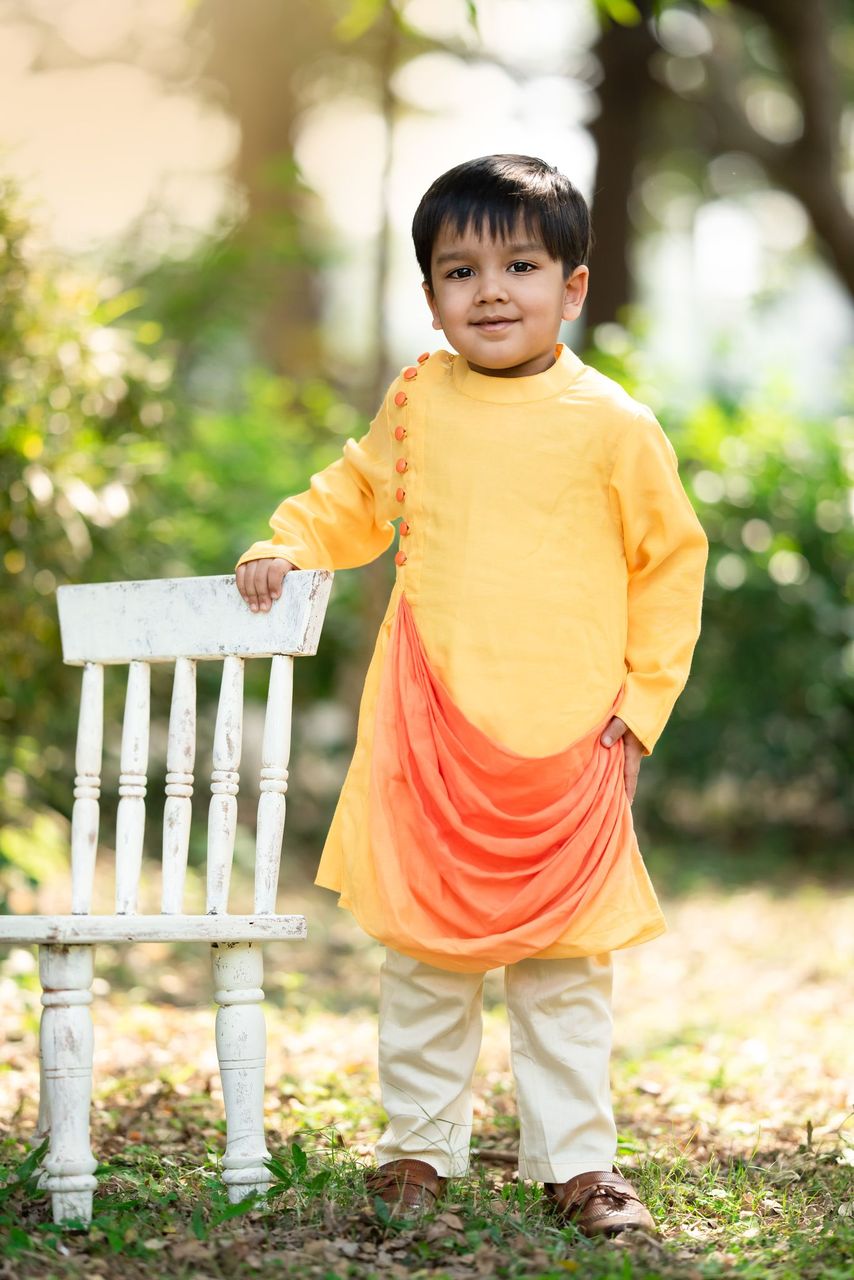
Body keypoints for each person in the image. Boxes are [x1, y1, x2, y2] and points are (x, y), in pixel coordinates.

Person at [235, 154, 709, 1238]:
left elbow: (667, 568)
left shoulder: (613, 423)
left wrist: (637, 712)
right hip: (430, 729)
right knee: (426, 960)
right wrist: (288, 542)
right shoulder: (418, 398)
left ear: (573, 285)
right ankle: (416, 1149)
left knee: (560, 972)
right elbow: (354, 492)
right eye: (459, 269)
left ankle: (577, 1162)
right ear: (429, 293)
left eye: (520, 263)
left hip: (567, 739)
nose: (489, 289)